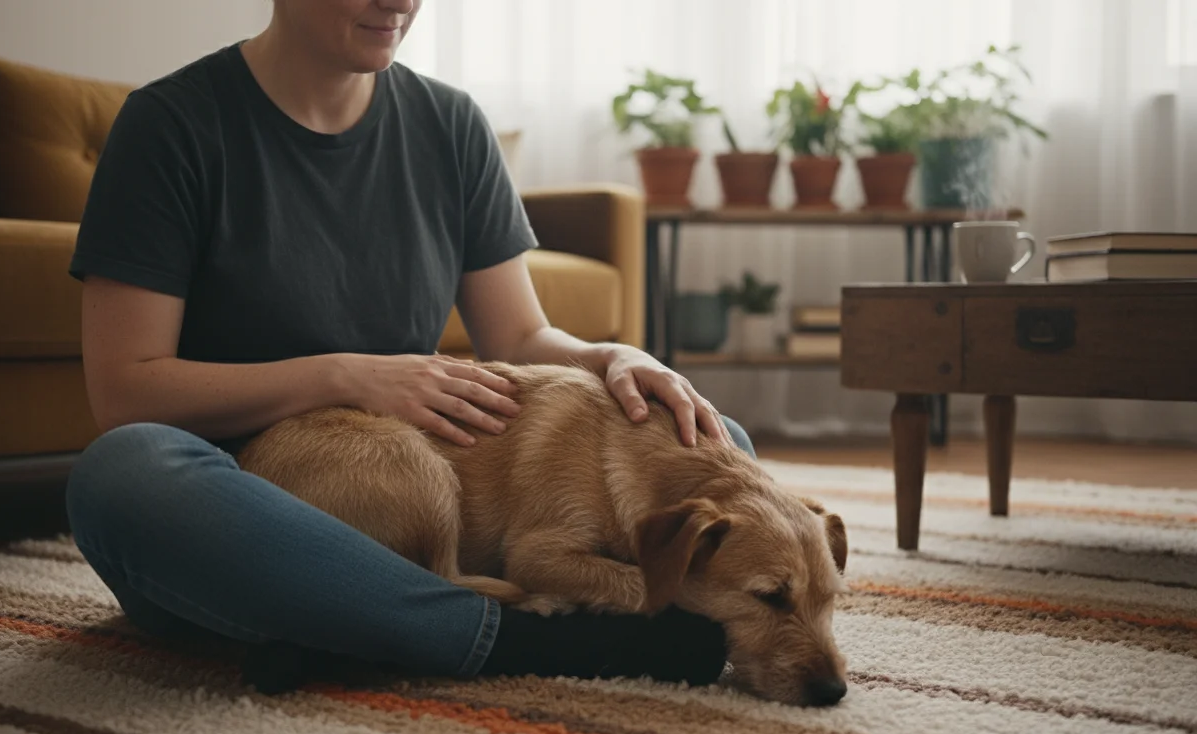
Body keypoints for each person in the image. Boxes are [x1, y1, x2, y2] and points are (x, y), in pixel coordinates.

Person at [65, 0, 757, 688]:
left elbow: (519, 337)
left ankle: (358, 631)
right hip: (242, 504)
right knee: (120, 471)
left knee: (713, 440)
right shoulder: (170, 124)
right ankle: (518, 640)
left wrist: (610, 356)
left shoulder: (450, 124)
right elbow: (127, 391)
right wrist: (345, 377)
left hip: (420, 492)